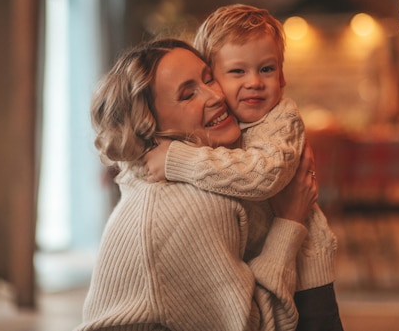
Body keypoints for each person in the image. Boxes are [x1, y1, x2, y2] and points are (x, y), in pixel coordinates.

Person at [75, 38, 319, 331]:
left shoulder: (170, 178)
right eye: (188, 95)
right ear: (149, 124)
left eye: (209, 79)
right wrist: (290, 221)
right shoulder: (193, 206)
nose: (215, 96)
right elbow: (261, 327)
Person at [144, 4, 343, 331]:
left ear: (281, 76)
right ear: (214, 80)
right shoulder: (222, 122)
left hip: (307, 271)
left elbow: (262, 176)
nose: (255, 82)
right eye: (238, 72)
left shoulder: (282, 120)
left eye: (266, 69)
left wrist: (177, 160)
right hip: (255, 264)